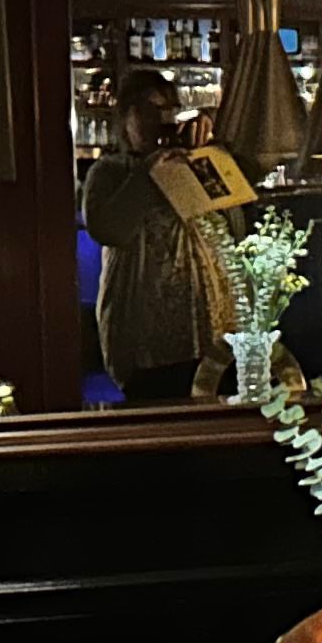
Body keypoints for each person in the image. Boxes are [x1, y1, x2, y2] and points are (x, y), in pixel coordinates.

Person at [79, 67, 229, 404]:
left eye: (166, 110)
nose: (156, 120)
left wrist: (210, 145)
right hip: (145, 339)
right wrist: (149, 170)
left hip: (208, 330)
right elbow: (108, 229)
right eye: (146, 109)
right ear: (125, 118)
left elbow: (232, 220)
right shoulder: (111, 171)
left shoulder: (191, 163)